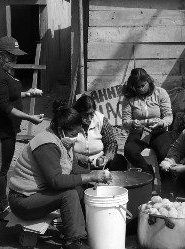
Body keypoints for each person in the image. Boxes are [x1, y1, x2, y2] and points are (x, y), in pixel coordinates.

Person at [7, 102, 111, 249]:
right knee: (68, 194)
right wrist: (92, 177)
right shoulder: (46, 144)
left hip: (40, 195)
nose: (75, 138)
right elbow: (55, 181)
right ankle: (73, 242)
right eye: (74, 134)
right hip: (23, 201)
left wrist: (97, 174)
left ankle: (77, 229)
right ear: (61, 130)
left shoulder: (63, 141)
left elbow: (73, 169)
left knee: (79, 189)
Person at [0, 36, 44, 217]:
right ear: (1, 55)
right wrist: (30, 118)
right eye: (12, 57)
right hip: (0, 131)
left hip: (6, 130)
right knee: (0, 170)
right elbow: (5, 107)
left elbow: (6, 96)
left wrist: (27, 94)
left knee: (2, 169)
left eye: (16, 57)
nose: (15, 61)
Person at [121, 68, 173, 177]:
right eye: (137, 87)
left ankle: (166, 181)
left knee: (164, 153)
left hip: (158, 131)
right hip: (139, 131)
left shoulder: (160, 93)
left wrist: (161, 123)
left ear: (148, 81)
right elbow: (125, 121)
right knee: (129, 151)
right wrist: (132, 123)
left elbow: (168, 117)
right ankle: (148, 173)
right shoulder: (129, 98)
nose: (140, 89)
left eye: (143, 85)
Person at [72, 94, 128, 171]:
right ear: (78, 113)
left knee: (119, 160)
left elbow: (111, 142)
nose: (89, 118)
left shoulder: (100, 120)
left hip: (99, 163)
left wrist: (106, 157)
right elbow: (63, 147)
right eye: (85, 115)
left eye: (91, 114)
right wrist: (80, 158)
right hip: (76, 163)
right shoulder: (71, 122)